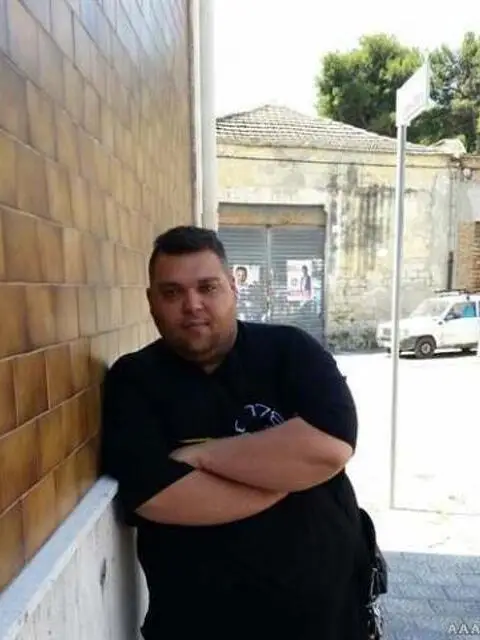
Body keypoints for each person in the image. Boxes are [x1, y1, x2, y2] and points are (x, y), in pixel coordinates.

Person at [101, 225, 371, 640]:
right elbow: (157, 496)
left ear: (233, 287)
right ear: (151, 302)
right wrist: (285, 474)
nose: (192, 305)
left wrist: (202, 456)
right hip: (197, 625)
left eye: (207, 287)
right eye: (172, 293)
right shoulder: (134, 380)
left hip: (327, 620)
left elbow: (329, 448)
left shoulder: (291, 351)